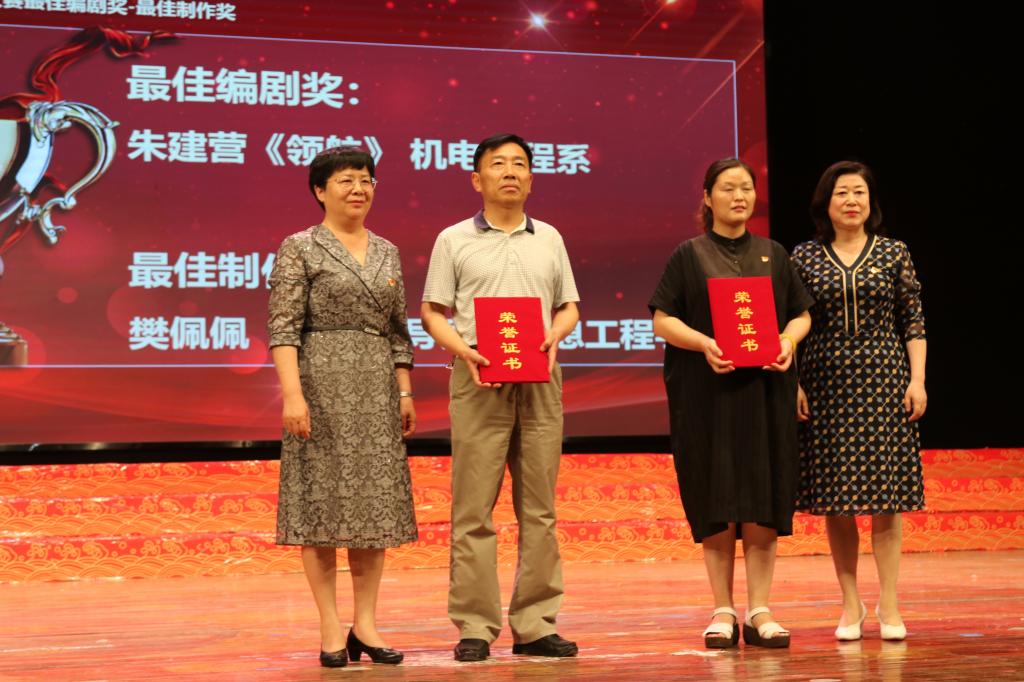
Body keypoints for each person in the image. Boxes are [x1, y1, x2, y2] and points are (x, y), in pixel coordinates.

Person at [420, 133, 581, 662]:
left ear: (531, 178)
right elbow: (432, 312)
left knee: (540, 509)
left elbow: (569, 306)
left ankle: (535, 624)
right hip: (477, 381)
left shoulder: (550, 238)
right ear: (477, 179)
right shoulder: (453, 240)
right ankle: (475, 625)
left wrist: (555, 335)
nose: (510, 172)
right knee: (473, 509)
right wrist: (464, 351)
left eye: (519, 164)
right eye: (498, 164)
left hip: (541, 381)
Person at [648, 158, 813, 649]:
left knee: (763, 498)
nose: (739, 196)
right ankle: (723, 609)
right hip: (708, 397)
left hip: (765, 393)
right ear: (707, 197)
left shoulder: (773, 254)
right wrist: (704, 343)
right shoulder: (689, 254)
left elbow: (801, 314)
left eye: (746, 188)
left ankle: (760, 609)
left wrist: (787, 340)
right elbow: (662, 319)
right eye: (727, 188)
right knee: (716, 499)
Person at [267, 146, 417, 668]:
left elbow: (398, 332)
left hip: (376, 390)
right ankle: (330, 625)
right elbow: (283, 328)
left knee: (373, 508)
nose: (359, 188)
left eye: (366, 179)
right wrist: (293, 395)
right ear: (320, 190)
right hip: (320, 387)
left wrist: (404, 391)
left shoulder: (388, 251)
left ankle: (366, 625)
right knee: (321, 510)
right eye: (346, 180)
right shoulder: (300, 247)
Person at [792, 160, 927, 642]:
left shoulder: (893, 252)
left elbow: (913, 320)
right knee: (838, 500)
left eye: (859, 193)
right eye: (842, 193)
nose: (851, 201)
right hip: (825, 383)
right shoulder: (804, 257)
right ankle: (850, 602)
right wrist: (794, 383)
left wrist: (917, 380)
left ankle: (889, 601)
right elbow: (791, 322)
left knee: (887, 499)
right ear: (825, 203)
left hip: (884, 380)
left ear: (871, 202)